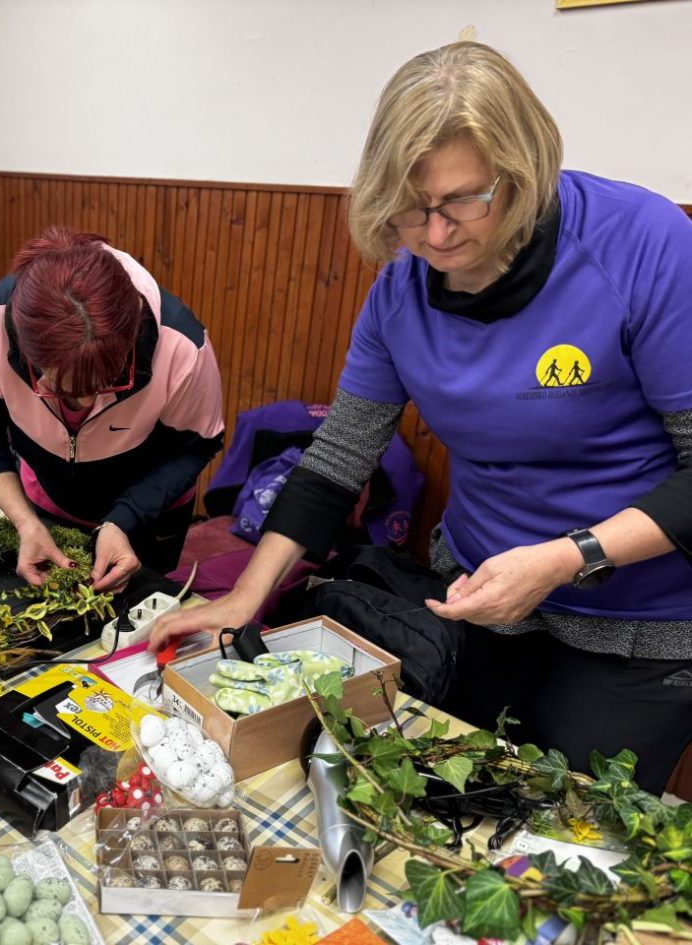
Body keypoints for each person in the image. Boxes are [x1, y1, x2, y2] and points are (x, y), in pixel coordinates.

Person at [152, 41, 692, 795]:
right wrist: (246, 594)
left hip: (637, 621)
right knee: (459, 794)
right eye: (413, 208)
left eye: (465, 200)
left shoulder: (644, 244)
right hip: (481, 596)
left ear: (524, 170)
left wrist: (567, 557)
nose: (436, 236)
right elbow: (339, 455)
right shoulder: (401, 289)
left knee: (570, 820)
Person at [0, 226, 225, 592]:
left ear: (131, 344)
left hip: (149, 512)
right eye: (58, 388)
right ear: (25, 351)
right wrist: (25, 522)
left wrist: (122, 521)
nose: (81, 405)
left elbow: (194, 448)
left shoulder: (181, 346)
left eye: (101, 386)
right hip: (45, 499)